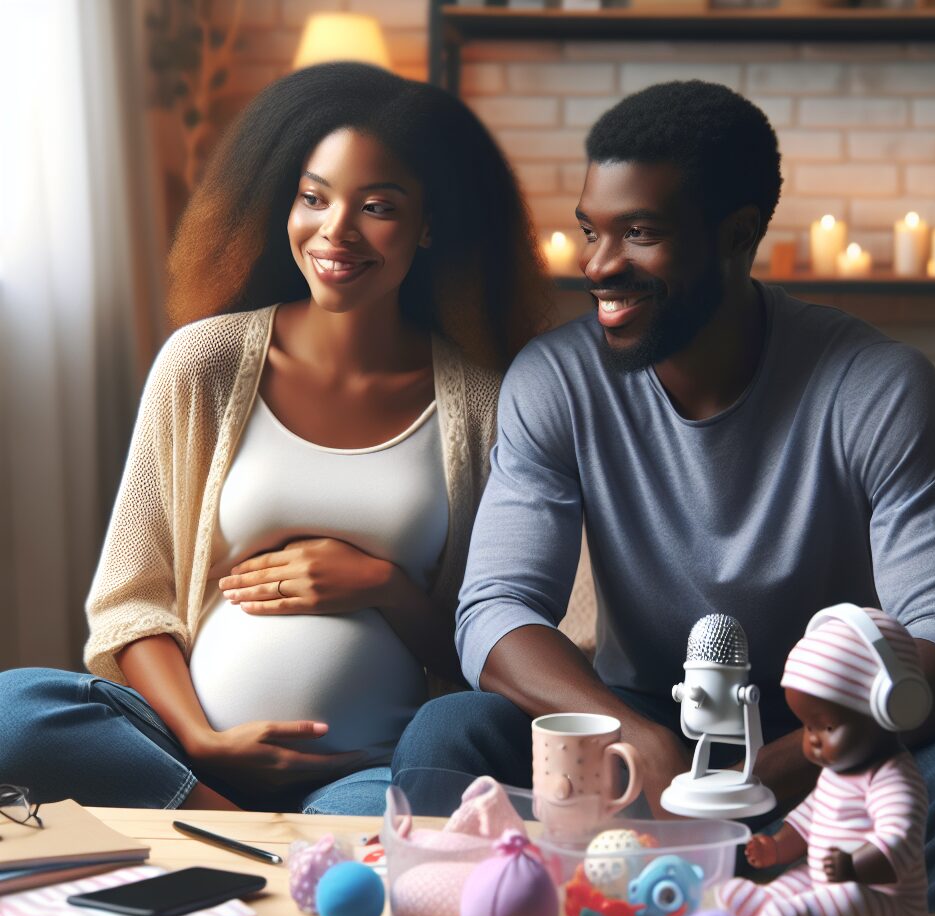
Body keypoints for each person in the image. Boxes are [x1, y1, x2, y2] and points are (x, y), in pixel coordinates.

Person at [390, 81, 935, 916]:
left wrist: (792, 759)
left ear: (737, 233)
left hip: (827, 740)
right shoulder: (556, 380)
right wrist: (631, 736)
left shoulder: (876, 385)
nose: (599, 265)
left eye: (639, 233)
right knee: (448, 734)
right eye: (591, 230)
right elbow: (495, 610)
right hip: (639, 728)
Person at [0, 61, 550, 815]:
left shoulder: (484, 403)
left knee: (404, 805)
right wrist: (202, 741)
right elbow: (134, 601)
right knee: (13, 711)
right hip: (184, 751)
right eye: (314, 197)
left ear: (429, 225)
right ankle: (233, 824)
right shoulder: (206, 362)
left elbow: (486, 647)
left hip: (368, 774)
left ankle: (257, 838)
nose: (336, 231)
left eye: (377, 207)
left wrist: (383, 586)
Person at [719, 607, 930, 916]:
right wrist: (777, 847)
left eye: (827, 726)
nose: (813, 739)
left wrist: (852, 867)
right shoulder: (835, 775)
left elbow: (899, 842)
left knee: (844, 902)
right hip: (825, 881)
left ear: (890, 708)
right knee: (792, 882)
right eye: (807, 726)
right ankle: (764, 909)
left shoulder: (891, 777)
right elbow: (808, 821)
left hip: (885, 905)